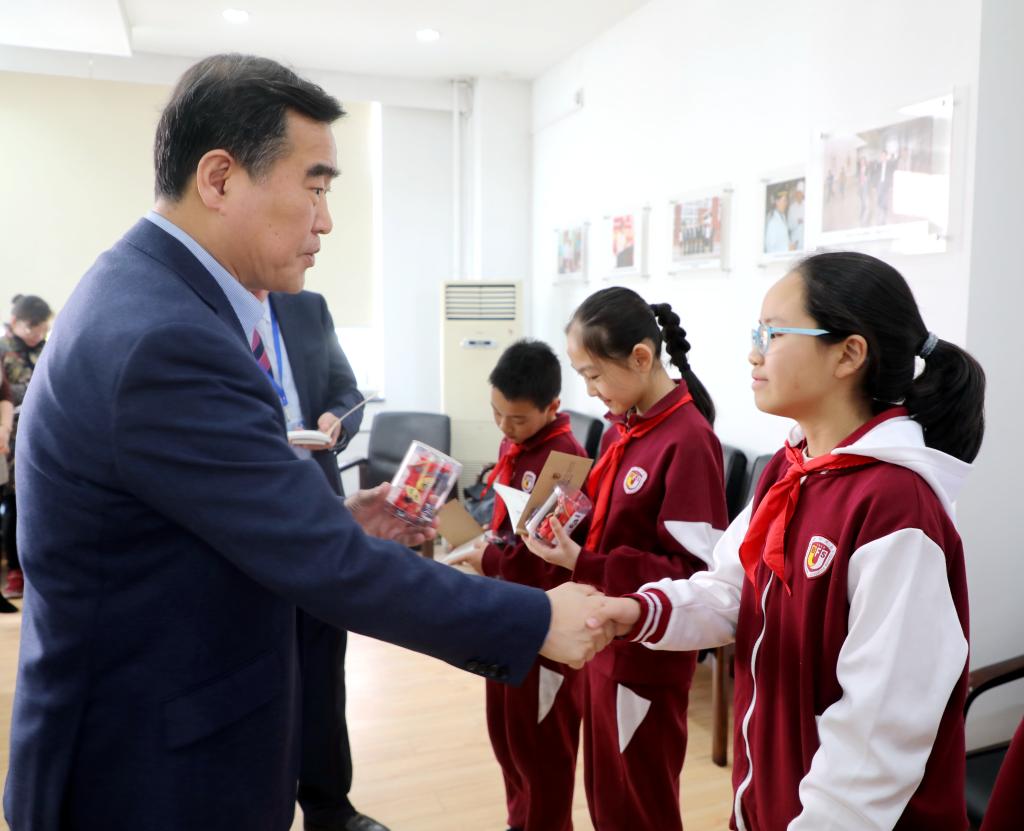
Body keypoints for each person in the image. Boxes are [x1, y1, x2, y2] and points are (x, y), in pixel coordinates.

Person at [3, 53, 617, 831]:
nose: (326, 221)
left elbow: (190, 521)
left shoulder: (151, 296)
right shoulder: (165, 337)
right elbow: (326, 565)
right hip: (148, 771)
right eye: (315, 187)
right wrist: (535, 619)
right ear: (220, 178)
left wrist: (334, 520)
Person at [600, 252, 986, 830]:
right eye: (757, 333)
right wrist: (634, 610)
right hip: (769, 803)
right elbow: (731, 591)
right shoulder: (792, 468)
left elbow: (876, 739)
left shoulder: (897, 509)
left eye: (773, 334)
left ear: (848, 355)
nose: (754, 353)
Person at [523, 287, 728, 831]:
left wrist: (585, 562)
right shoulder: (627, 427)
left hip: (646, 658)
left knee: (638, 807)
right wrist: (559, 523)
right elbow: (611, 526)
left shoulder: (688, 439)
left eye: (593, 375)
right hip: (605, 642)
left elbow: (695, 575)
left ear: (641, 357)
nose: (590, 391)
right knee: (608, 799)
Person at [251, 287, 384, 831]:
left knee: (323, 665)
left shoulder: (308, 307)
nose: (316, 245)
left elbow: (346, 387)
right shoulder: (200, 309)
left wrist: (336, 418)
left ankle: (330, 807)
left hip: (320, 501)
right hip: (245, 513)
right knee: (255, 666)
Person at [449, 338, 588, 831]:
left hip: (545, 623)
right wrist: (481, 540)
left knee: (542, 748)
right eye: (497, 414)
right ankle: (519, 820)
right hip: (505, 610)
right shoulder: (518, 445)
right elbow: (512, 530)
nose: (505, 428)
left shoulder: (564, 461)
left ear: (553, 407)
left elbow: (545, 561)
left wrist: (488, 557)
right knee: (507, 738)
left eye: (518, 420)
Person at [0, 295, 52, 601]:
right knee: (15, 503)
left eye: (42, 327)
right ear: (15, 322)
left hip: (45, 433)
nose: (38, 333)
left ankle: (40, 570)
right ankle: (16, 571)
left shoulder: (48, 348)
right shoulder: (3, 349)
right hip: (10, 439)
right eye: (33, 327)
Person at [764, 189, 790, 254]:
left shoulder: (783, 216)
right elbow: (769, 248)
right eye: (784, 201)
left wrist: (790, 245)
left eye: (786, 201)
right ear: (777, 202)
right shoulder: (773, 221)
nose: (786, 203)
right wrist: (787, 248)